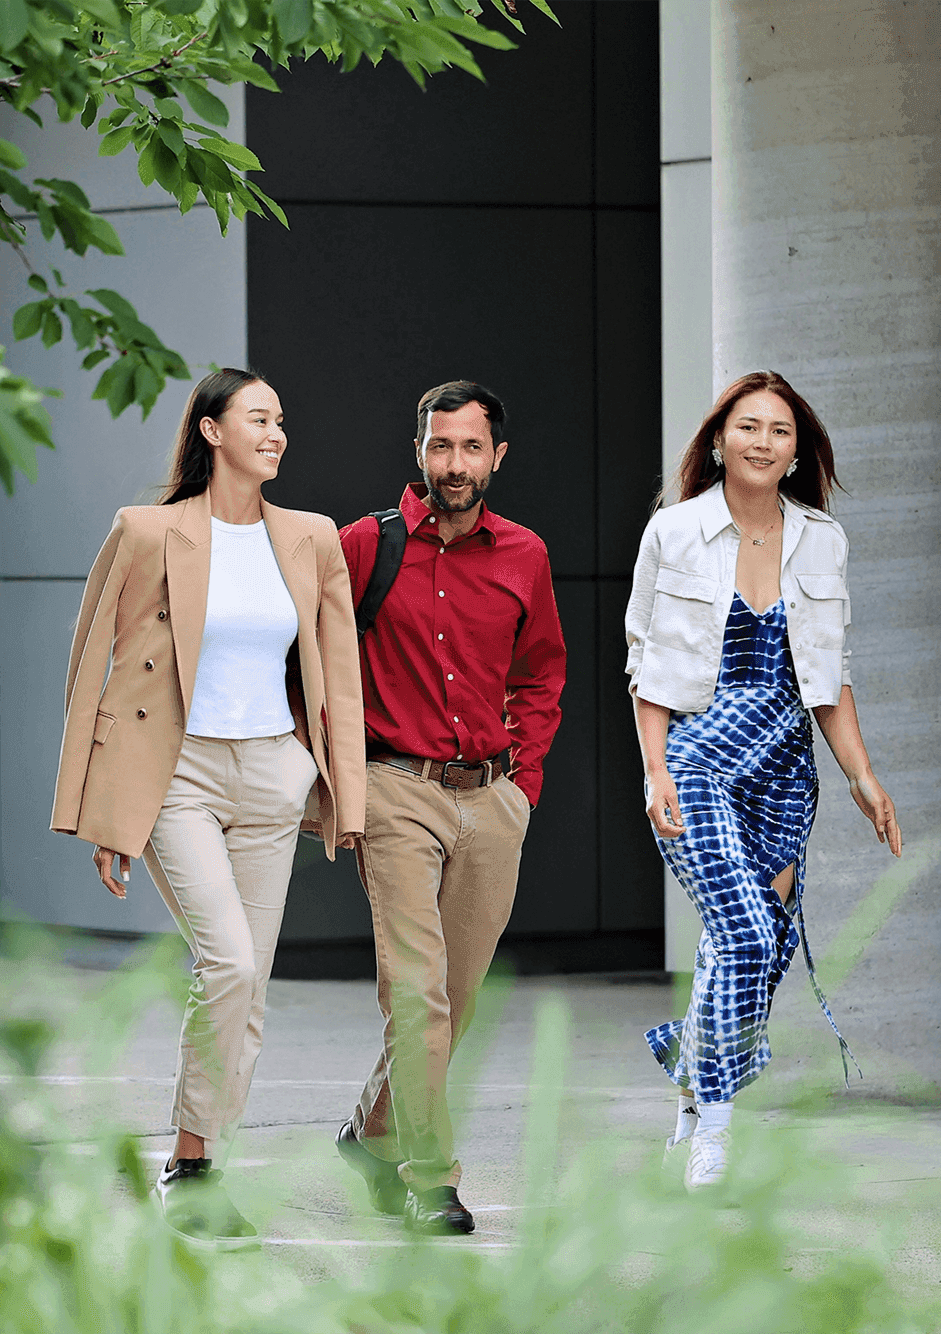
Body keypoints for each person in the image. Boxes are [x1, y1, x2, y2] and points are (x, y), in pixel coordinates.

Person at [50, 367, 365, 1250]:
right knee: (226, 962)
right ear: (213, 431)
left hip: (272, 773)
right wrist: (96, 806)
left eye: (282, 420)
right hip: (177, 775)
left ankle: (202, 1164)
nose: (278, 434)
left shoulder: (310, 538)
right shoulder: (147, 531)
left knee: (248, 985)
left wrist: (341, 788)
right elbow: (91, 671)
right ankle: (188, 1168)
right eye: (260, 418)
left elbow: (338, 672)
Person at [624, 370, 903, 1192]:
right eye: (748, 426)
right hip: (696, 755)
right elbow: (644, 664)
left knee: (754, 948)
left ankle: (690, 1077)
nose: (762, 442)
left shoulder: (824, 539)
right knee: (745, 933)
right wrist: (653, 771)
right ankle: (714, 1127)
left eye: (780, 431)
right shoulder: (674, 532)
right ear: (719, 439)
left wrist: (862, 773)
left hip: (784, 762)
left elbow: (831, 673)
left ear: (796, 452)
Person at [330, 380, 567, 1235]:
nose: (454, 465)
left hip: (491, 798)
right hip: (395, 791)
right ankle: (432, 1178)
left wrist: (523, 788)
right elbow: (311, 665)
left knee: (454, 998)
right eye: (440, 446)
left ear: (497, 457)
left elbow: (542, 673)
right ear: (418, 450)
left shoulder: (525, 556)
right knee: (417, 995)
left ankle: (371, 1132)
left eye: (471, 449)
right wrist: (342, 781)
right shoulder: (364, 546)